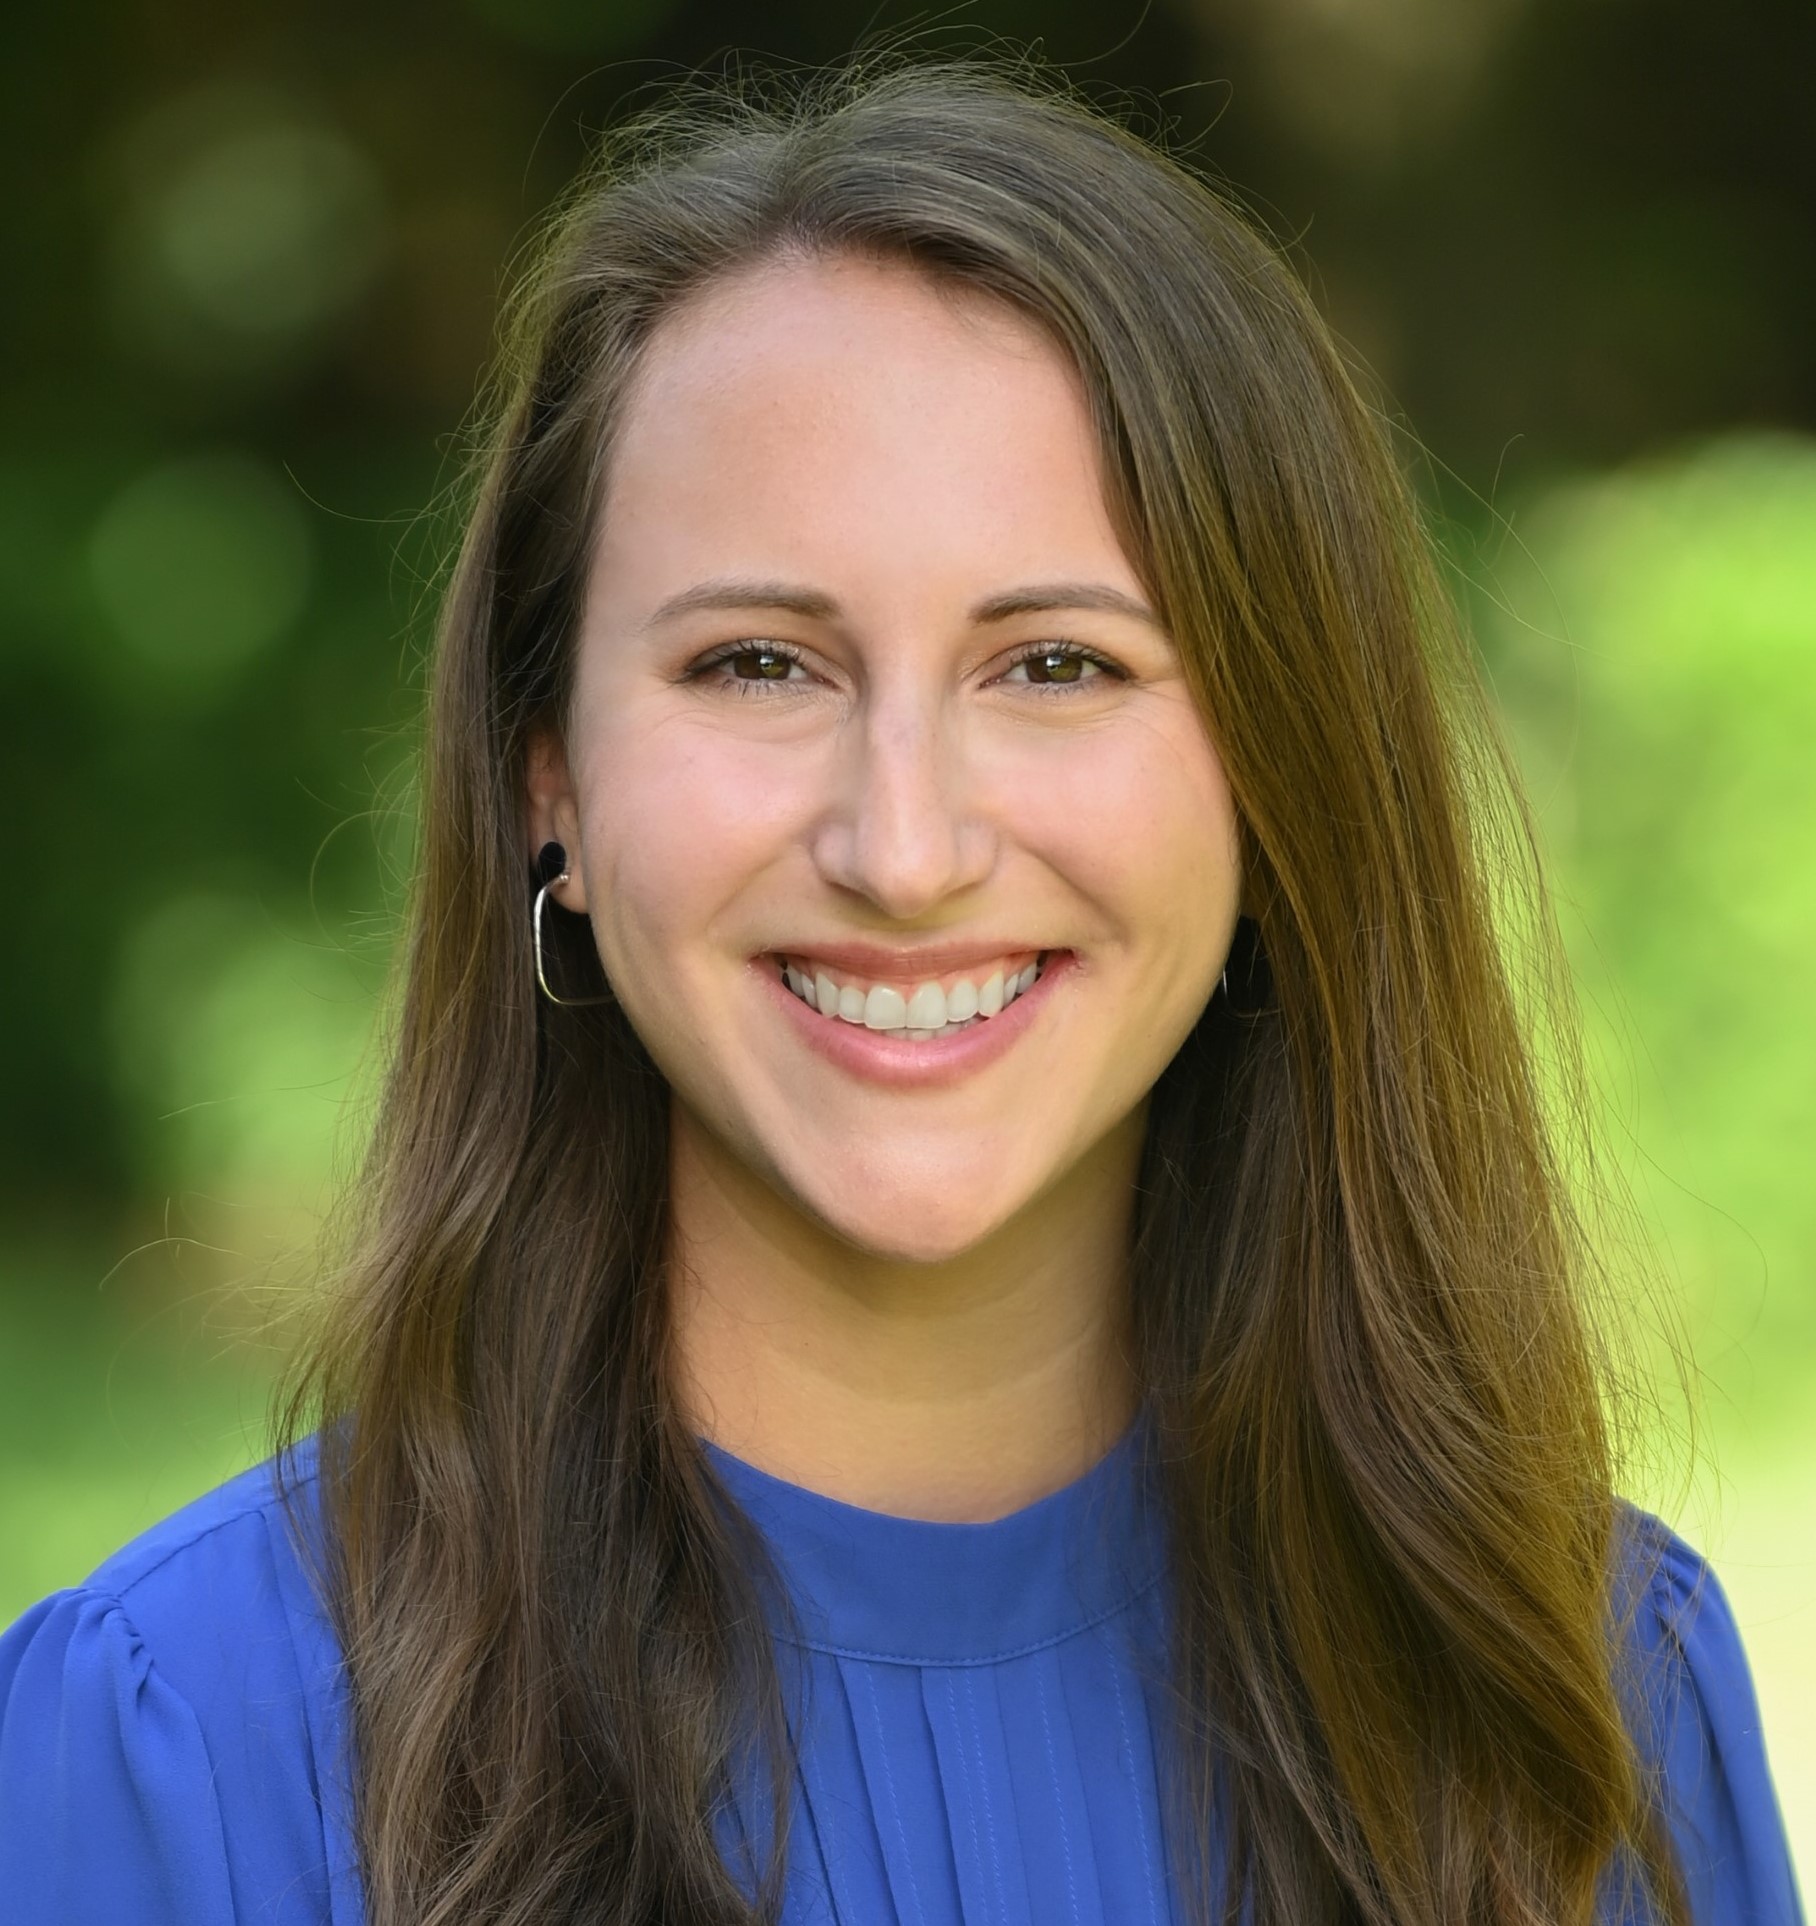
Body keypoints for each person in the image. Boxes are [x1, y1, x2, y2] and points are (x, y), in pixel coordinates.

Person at [0, 57, 1802, 1926]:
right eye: (762, 661)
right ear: (552, 779)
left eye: (1057, 665)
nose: (907, 844)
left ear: (1278, 774)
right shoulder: (177, 1751)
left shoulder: (1588, 1706)